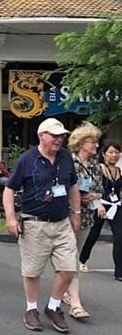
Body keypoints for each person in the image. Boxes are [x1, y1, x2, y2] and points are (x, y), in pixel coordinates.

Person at [3, 118, 81, 334]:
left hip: (62, 222)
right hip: (35, 223)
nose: (59, 139)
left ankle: (53, 306)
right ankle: (31, 309)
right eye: (54, 135)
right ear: (41, 136)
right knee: (32, 272)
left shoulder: (65, 158)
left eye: (61, 135)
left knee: (68, 269)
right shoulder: (27, 159)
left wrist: (76, 213)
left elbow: (73, 186)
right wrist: (11, 218)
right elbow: (9, 190)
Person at [63, 123, 106, 319]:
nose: (96, 146)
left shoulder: (96, 166)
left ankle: (64, 290)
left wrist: (94, 197)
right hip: (68, 215)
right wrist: (79, 198)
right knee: (71, 257)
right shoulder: (68, 162)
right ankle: (76, 303)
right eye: (93, 142)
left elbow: (99, 189)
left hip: (88, 217)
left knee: (75, 255)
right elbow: (63, 188)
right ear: (81, 143)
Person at [79, 140, 122, 281]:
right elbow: (94, 188)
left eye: (116, 152)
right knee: (93, 234)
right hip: (100, 204)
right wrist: (98, 204)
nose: (113, 155)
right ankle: (82, 259)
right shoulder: (99, 169)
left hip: (115, 206)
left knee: (119, 236)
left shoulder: (120, 171)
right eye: (110, 152)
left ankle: (119, 272)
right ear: (104, 154)